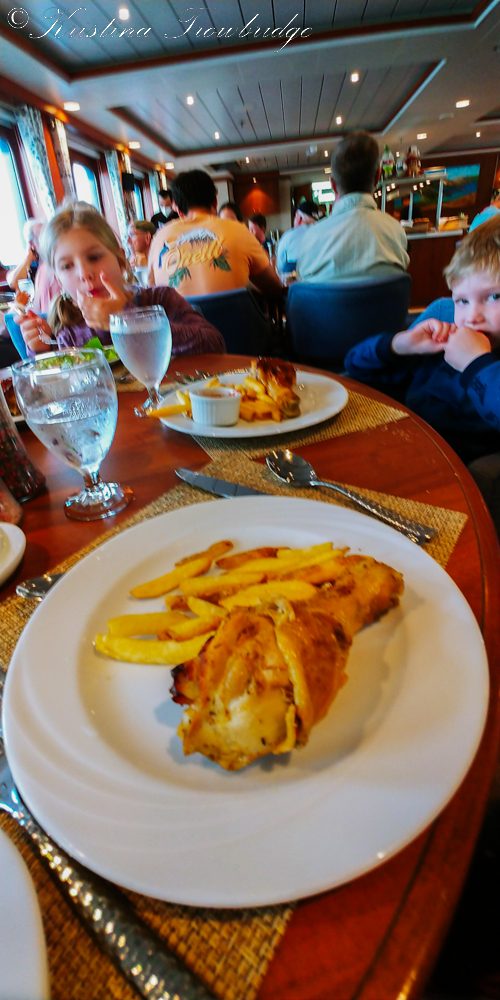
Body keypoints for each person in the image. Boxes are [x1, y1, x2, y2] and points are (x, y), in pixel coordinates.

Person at [343, 217, 500, 529]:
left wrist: (475, 363)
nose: (472, 317)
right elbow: (354, 368)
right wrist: (399, 345)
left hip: (452, 483)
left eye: (494, 297)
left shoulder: (480, 363)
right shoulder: (441, 348)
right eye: (462, 301)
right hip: (398, 453)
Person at [16, 202, 225, 357]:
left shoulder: (160, 300)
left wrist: (130, 321)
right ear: (59, 281)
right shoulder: (68, 331)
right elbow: (60, 390)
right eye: (67, 266)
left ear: (120, 260)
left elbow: (214, 344)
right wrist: (42, 352)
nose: (84, 274)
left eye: (94, 257)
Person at [148, 170, 283, 299]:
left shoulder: (159, 238)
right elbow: (274, 287)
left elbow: (153, 293)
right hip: (233, 316)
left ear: (177, 209)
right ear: (215, 201)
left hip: (179, 316)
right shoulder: (238, 230)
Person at [297, 131, 409, 283]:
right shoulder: (396, 232)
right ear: (377, 177)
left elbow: (302, 287)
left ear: (333, 185)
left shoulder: (311, 239)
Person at [7, 218, 60, 313]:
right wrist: (28, 258)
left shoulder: (51, 262)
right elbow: (13, 282)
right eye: (41, 236)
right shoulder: (32, 263)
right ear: (32, 244)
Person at [276, 200, 320, 274]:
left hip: (295, 279)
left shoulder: (288, 236)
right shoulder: (324, 233)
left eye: (295, 216)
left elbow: (280, 266)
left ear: (299, 218)